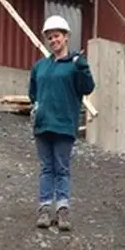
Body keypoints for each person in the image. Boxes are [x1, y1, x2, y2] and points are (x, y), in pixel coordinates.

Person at [28, 15, 95, 232]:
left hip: (64, 126)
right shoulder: (40, 67)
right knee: (47, 168)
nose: (53, 40)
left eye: (56, 36)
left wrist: (83, 68)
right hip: (43, 125)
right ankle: (45, 208)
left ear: (66, 37)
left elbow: (87, 88)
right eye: (49, 37)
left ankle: (63, 209)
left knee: (62, 169)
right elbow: (33, 94)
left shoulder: (75, 65)